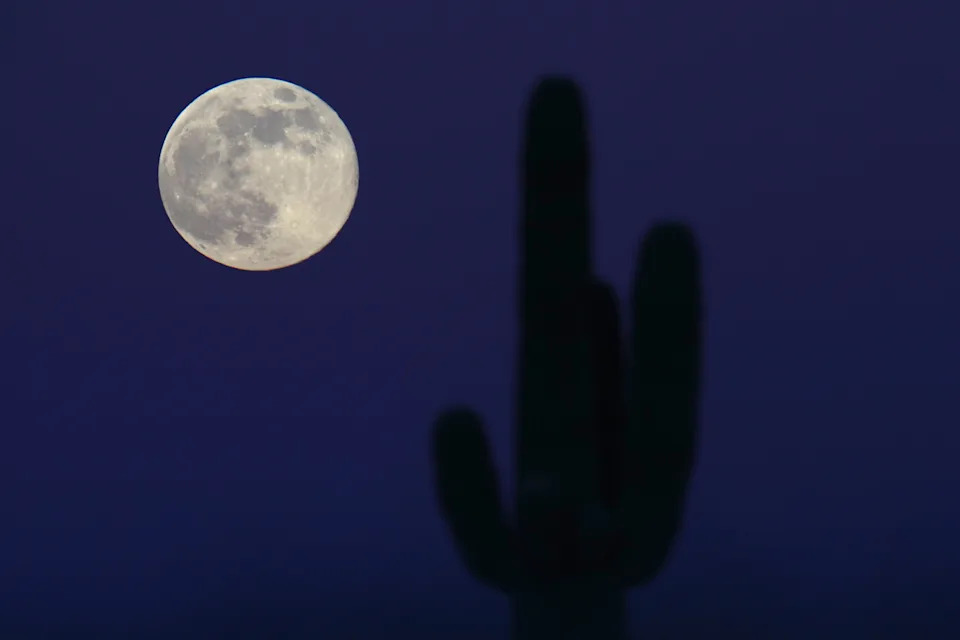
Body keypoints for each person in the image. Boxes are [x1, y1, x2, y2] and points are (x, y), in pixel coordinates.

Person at [431, 76, 703, 640]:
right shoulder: (617, 549)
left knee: (598, 315)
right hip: (586, 541)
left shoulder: (564, 551)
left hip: (579, 538)